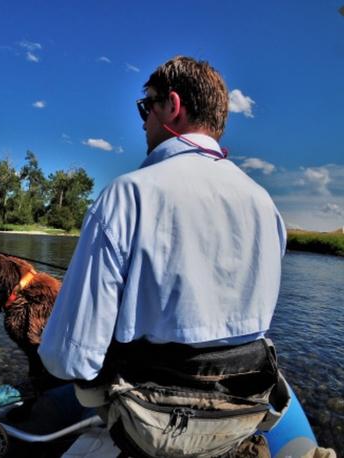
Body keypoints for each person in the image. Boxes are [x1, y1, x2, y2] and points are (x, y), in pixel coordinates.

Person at [37, 56, 288, 456]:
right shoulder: (266, 205)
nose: (143, 120)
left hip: (149, 429)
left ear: (172, 105)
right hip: (234, 424)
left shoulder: (127, 196)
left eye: (145, 106)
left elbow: (68, 360)